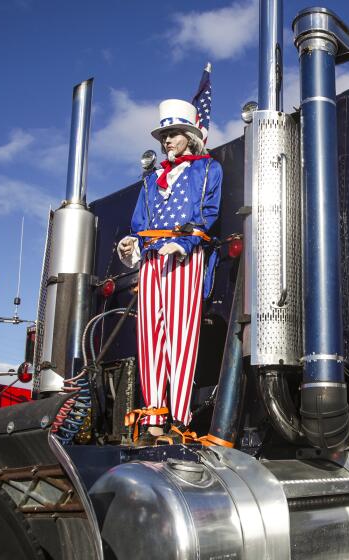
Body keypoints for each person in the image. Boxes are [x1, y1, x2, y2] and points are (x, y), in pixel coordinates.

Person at [118, 98, 222, 445]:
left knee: (181, 337)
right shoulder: (151, 180)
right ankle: (153, 419)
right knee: (150, 338)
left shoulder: (207, 169)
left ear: (190, 137)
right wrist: (130, 244)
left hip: (182, 257)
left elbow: (208, 213)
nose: (168, 141)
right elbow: (139, 223)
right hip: (150, 260)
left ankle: (179, 418)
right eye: (165, 135)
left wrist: (187, 243)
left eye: (174, 134)